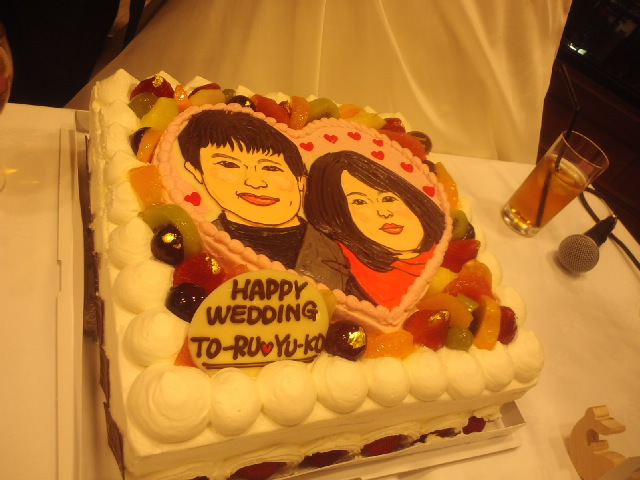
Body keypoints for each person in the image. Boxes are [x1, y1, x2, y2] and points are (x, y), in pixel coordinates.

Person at [178, 108, 351, 291]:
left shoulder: (334, 251)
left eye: (271, 168)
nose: (255, 182)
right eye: (229, 164)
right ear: (197, 172)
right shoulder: (202, 242)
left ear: (301, 180)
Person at [304, 150, 446, 309]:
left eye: (388, 198)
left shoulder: (446, 252)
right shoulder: (336, 266)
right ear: (336, 215)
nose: (384, 212)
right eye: (360, 202)